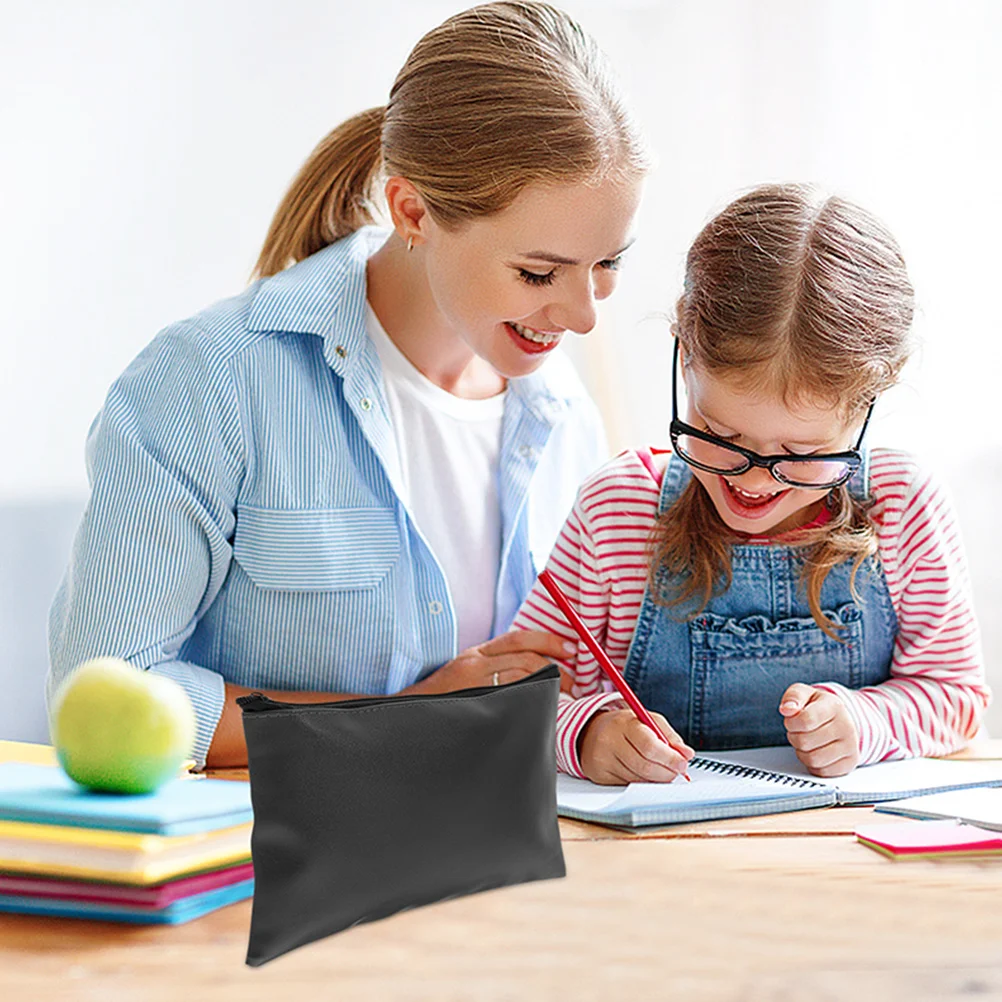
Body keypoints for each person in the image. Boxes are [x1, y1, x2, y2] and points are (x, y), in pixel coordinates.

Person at [47, 2, 650, 768]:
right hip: (273, 871)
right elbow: (99, 692)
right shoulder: (209, 380)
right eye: (538, 272)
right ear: (414, 210)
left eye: (608, 263)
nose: (584, 315)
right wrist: (407, 720)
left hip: (510, 854)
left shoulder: (563, 413)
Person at [514, 183, 990, 784]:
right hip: (658, 862)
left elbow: (954, 696)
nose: (756, 481)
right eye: (721, 434)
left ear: (867, 406)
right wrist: (584, 735)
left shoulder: (902, 505)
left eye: (801, 452)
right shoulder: (620, 506)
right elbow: (518, 693)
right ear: (684, 356)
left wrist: (865, 723)